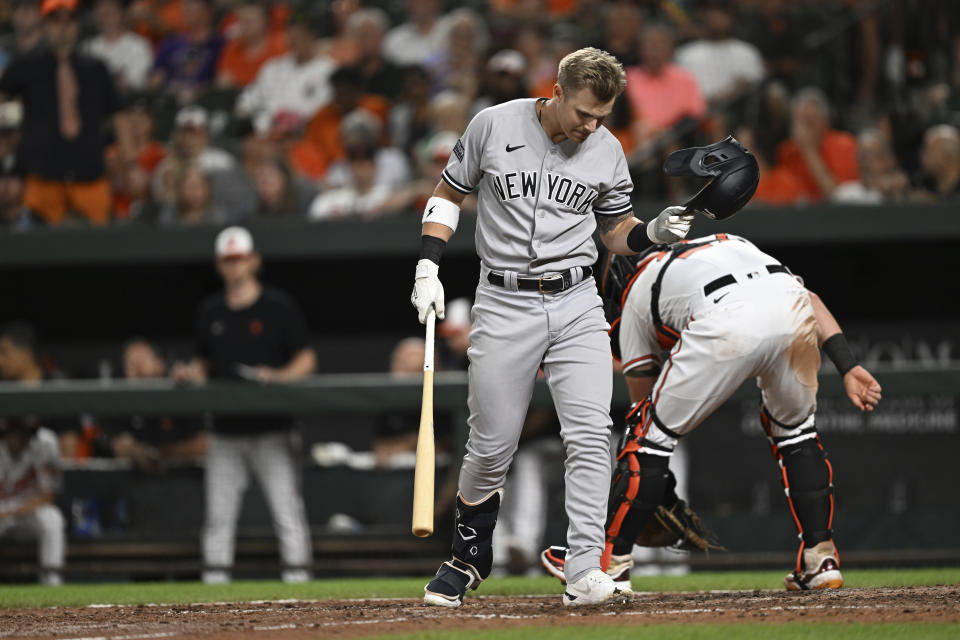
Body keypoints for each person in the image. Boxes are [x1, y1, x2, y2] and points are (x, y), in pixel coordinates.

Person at [409, 46, 695, 608]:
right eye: (585, 112)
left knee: (590, 434)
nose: (592, 126)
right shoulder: (494, 124)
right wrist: (427, 265)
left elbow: (615, 231)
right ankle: (467, 557)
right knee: (490, 447)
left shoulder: (608, 150)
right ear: (557, 92)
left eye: (602, 116)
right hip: (503, 299)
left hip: (576, 301)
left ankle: (585, 565)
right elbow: (449, 193)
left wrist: (652, 233)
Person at [543, 232, 882, 592]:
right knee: (796, 432)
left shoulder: (640, 286)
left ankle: (608, 563)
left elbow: (643, 405)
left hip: (726, 317)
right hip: (792, 309)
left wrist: (651, 486)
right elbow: (809, 299)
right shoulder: (730, 243)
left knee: (647, 436)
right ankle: (821, 558)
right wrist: (848, 366)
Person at [172, 226, 316, 584]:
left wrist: (278, 377)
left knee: (287, 514)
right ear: (220, 265)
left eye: (239, 258)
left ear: (253, 260)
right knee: (219, 518)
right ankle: (213, 590)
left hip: (272, 430)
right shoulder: (211, 310)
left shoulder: (277, 305)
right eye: (227, 260)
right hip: (225, 432)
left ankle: (300, 588)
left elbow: (306, 359)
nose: (234, 266)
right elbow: (203, 362)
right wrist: (189, 374)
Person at [0, 0, 119, 226]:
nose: (63, 27)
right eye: (56, 20)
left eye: (69, 20)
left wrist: (125, 158)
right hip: (42, 177)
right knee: (37, 251)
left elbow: (118, 115)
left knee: (99, 251)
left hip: (90, 175)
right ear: (45, 25)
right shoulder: (25, 65)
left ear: (78, 25)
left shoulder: (96, 68)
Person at [108, 338, 207, 471]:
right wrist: (133, 450)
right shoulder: (122, 402)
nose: (137, 368)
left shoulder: (179, 394)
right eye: (130, 364)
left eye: (142, 360)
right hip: (138, 481)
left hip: (185, 479)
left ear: (159, 364)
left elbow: (204, 445)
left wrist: (159, 453)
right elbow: (118, 445)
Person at [0, 416, 66, 585]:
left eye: (24, 431)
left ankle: (51, 582)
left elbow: (47, 496)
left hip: (28, 511)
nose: (20, 436)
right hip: (3, 510)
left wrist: (14, 511)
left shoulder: (44, 444)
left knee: (52, 518)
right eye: (14, 431)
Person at [84, 0, 154, 92]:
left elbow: (144, 83)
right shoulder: (88, 48)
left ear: (121, 12)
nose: (106, 11)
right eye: (101, 7)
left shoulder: (140, 45)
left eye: (111, 7)